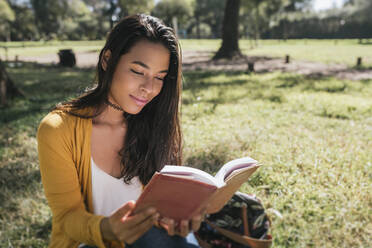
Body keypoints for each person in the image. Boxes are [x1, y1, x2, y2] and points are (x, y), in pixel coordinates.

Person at [37, 14, 203, 248]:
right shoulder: (57, 129)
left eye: (159, 77)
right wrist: (108, 228)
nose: (149, 88)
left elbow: (162, 209)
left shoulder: (155, 123)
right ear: (107, 60)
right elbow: (67, 217)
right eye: (137, 71)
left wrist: (181, 219)